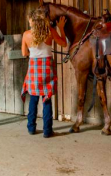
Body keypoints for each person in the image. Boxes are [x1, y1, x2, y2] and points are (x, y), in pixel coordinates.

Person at [21, 8, 67, 138]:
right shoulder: (50, 32)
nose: (29, 22)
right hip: (47, 67)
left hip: (34, 67)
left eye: (30, 20)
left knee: (33, 98)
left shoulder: (26, 34)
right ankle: (47, 131)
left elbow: (24, 53)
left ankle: (31, 128)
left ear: (33, 21)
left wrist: (33, 52)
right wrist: (61, 28)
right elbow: (64, 43)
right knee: (47, 99)